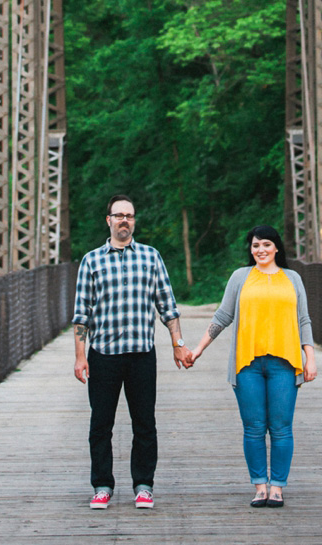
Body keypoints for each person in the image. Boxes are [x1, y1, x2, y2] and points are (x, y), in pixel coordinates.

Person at [185, 225, 317, 509]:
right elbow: (222, 316)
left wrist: (311, 358)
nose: (260, 250)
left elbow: (303, 320)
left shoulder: (292, 278)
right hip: (248, 365)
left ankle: (277, 487)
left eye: (266, 245)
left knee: (281, 428)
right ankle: (260, 486)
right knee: (254, 428)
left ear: (277, 248)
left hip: (286, 364)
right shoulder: (240, 278)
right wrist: (197, 349)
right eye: (255, 245)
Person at [72, 194, 190, 510]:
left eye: (130, 215)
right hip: (104, 355)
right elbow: (82, 312)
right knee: (100, 424)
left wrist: (177, 345)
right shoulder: (91, 261)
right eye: (119, 215)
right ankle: (102, 485)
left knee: (144, 422)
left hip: (141, 354)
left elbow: (168, 305)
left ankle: (143, 484)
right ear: (108, 220)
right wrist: (80, 355)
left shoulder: (151, 258)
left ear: (134, 221)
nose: (125, 220)